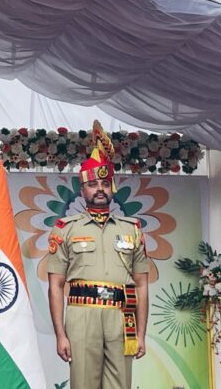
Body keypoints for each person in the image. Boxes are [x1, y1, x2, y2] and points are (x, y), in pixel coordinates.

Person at [47, 123, 150, 389]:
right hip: (82, 315)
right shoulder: (65, 229)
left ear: (112, 187)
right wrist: (60, 335)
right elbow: (56, 285)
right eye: (92, 184)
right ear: (83, 190)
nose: (100, 189)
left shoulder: (132, 229)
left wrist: (141, 334)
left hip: (121, 316)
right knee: (83, 384)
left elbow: (141, 284)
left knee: (120, 385)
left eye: (105, 183)